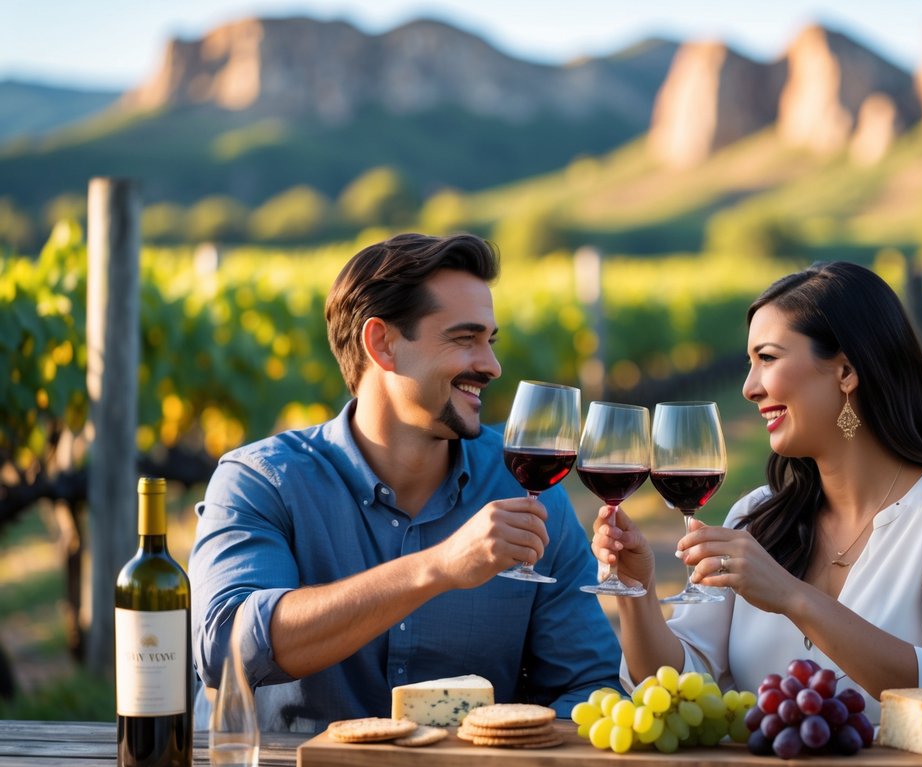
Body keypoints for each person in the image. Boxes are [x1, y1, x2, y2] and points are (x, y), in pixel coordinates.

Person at [189, 232, 622, 733]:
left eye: (490, 340)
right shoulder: (261, 482)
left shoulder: (525, 487)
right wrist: (439, 566)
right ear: (383, 344)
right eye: (465, 338)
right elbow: (227, 647)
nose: (491, 364)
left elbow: (589, 686)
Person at [593, 261, 922, 730]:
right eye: (749, 363)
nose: (749, 387)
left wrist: (793, 597)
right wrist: (636, 591)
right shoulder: (757, 515)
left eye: (768, 358)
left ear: (846, 371)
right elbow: (675, 689)